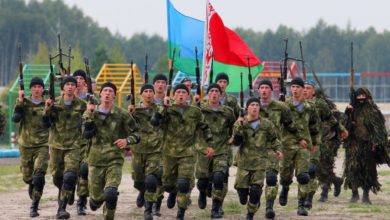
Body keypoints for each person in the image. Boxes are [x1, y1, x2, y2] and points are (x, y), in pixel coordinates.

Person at [150, 83, 214, 220]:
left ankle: (181, 213)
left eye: (183, 93)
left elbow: (205, 128)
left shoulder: (195, 111)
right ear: (173, 95)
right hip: (169, 153)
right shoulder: (166, 109)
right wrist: (163, 107)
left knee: (184, 184)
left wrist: (209, 144)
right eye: (177, 92)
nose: (180, 95)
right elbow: (155, 122)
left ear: (188, 96)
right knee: (167, 183)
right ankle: (172, 192)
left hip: (188, 153)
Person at [83, 82, 140, 220]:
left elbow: (137, 134)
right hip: (95, 160)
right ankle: (95, 201)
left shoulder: (122, 114)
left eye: (110, 91)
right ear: (100, 94)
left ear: (114, 95)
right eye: (105, 91)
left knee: (111, 193)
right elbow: (86, 134)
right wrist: (90, 114)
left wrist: (127, 141)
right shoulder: (90, 112)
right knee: (96, 197)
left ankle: (109, 217)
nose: (107, 93)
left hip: (114, 160)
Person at [43, 76, 86, 219]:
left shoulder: (82, 105)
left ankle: (61, 209)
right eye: (67, 84)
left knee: (69, 176)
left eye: (72, 84)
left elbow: (91, 116)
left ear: (76, 88)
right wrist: (47, 109)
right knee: (57, 178)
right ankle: (68, 189)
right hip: (56, 145)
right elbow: (46, 122)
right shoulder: (54, 103)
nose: (70, 87)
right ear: (62, 87)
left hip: (74, 146)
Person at [257, 79, 302, 219]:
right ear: (258, 90)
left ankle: (269, 206)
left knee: (271, 178)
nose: (264, 90)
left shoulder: (280, 107)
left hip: (272, 147)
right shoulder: (252, 105)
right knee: (253, 182)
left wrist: (300, 138)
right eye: (261, 87)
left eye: (267, 88)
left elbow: (290, 124)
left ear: (271, 90)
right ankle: (253, 199)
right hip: (253, 149)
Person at [232, 97, 283, 220]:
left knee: (255, 190)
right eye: (252, 105)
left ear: (259, 108)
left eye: (256, 105)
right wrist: (239, 126)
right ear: (247, 108)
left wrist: (279, 149)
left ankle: (250, 214)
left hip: (260, 162)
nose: (254, 107)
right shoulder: (240, 123)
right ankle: (246, 198)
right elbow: (236, 142)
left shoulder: (266, 124)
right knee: (242, 194)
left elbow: (274, 139)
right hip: (244, 162)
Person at [280, 77, 321, 216]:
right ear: (290, 89)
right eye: (293, 87)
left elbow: (314, 126)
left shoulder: (310, 107)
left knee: (303, 175)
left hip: (304, 146)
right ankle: (285, 188)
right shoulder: (284, 105)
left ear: (304, 89)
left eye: (298, 87)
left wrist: (315, 142)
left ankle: (301, 205)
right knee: (285, 174)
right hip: (287, 144)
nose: (295, 89)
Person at [303, 80, 348, 205]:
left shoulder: (321, 104)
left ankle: (323, 193)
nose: (305, 90)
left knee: (323, 166)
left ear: (314, 91)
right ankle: (336, 181)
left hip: (325, 141)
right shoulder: (298, 104)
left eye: (308, 88)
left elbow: (331, 120)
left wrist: (340, 130)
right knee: (313, 169)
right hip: (306, 142)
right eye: (304, 88)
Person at [195, 83, 235, 218]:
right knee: (202, 182)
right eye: (211, 91)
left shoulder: (227, 111)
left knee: (219, 177)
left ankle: (216, 208)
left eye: (216, 91)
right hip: (204, 150)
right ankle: (202, 192)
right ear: (207, 94)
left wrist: (233, 137)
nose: (214, 93)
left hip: (221, 150)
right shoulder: (200, 109)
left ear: (220, 94)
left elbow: (234, 126)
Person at [344, 87, 390, 204]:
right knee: (352, 169)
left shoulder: (373, 111)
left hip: (368, 145)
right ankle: (354, 193)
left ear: (367, 96)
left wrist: (376, 142)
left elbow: (379, 129)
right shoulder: (352, 109)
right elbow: (343, 126)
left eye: (363, 95)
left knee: (368, 170)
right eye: (358, 96)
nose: (360, 98)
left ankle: (366, 195)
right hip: (353, 145)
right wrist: (347, 114)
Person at [12, 77, 49, 217]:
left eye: (40, 87)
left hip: (43, 145)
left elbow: (48, 124)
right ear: (30, 89)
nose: (37, 89)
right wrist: (20, 101)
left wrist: (47, 111)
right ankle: (30, 183)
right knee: (28, 177)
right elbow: (15, 118)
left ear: (43, 89)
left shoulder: (48, 103)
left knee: (39, 176)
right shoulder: (23, 102)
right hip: (25, 144)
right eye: (34, 87)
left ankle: (34, 206)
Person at [129, 84, 162, 220]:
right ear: (141, 94)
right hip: (138, 150)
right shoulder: (134, 109)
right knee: (138, 181)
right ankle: (141, 191)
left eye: (151, 91)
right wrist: (129, 114)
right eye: (146, 91)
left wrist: (165, 106)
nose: (148, 94)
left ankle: (148, 210)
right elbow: (127, 126)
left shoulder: (159, 109)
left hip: (155, 150)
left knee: (151, 180)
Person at [73, 69, 90, 215]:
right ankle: (67, 191)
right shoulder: (66, 98)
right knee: (66, 175)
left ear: (85, 82)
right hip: (68, 143)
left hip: (86, 142)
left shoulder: (91, 99)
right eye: (76, 78)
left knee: (84, 171)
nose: (78, 80)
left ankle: (82, 201)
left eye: (81, 78)